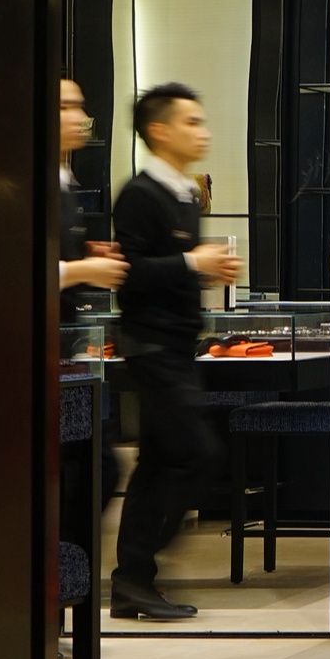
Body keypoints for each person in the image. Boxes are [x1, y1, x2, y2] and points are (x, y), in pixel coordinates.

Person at [107, 81, 242, 623]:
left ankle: (134, 581)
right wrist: (194, 265)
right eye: (190, 122)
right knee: (197, 452)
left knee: (163, 460)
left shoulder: (185, 191)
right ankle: (134, 572)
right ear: (158, 130)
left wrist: (203, 271)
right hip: (152, 345)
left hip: (178, 344)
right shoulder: (141, 194)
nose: (202, 131)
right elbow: (130, 274)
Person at [58, 77, 126, 297]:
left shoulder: (64, 180)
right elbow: (12, 270)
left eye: (80, 107)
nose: (82, 118)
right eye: (64, 107)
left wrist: (83, 252)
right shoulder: (20, 186)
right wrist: (83, 270)